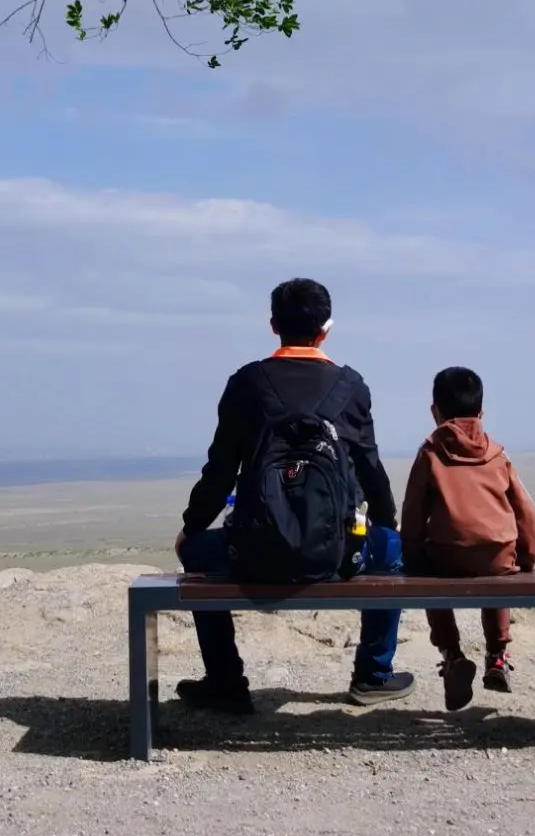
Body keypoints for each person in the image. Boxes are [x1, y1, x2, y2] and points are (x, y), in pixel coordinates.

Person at [175, 277, 414, 713]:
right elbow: (371, 469)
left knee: (196, 554)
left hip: (253, 551)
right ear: (326, 328)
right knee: (393, 550)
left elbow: (221, 471)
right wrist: (386, 524)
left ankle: (226, 681)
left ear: (273, 325)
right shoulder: (351, 387)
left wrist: (190, 528)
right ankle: (374, 675)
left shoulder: (246, 383)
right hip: (338, 553)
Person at [400, 365, 535, 712]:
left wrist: (412, 559)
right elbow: (525, 511)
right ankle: (496, 655)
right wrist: (528, 558)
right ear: (481, 413)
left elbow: (413, 513)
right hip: (498, 556)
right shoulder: (497, 454)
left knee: (429, 575)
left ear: (435, 412)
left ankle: (452, 655)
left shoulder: (429, 453)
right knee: (498, 570)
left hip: (445, 557)